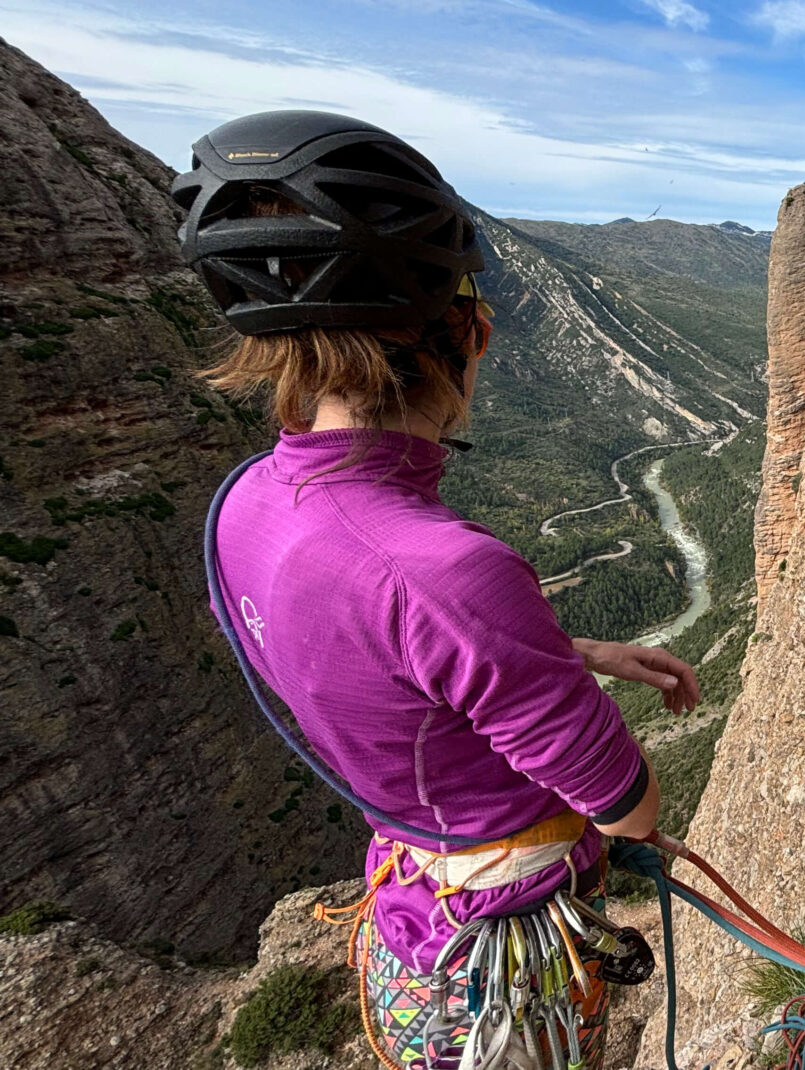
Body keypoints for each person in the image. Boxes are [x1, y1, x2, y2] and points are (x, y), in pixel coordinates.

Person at [178, 110, 697, 1070]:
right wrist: (536, 676)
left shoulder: (242, 505)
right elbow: (628, 808)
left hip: (412, 924)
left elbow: (356, 656)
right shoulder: (449, 570)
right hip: (506, 976)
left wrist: (560, 655)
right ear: (469, 332)